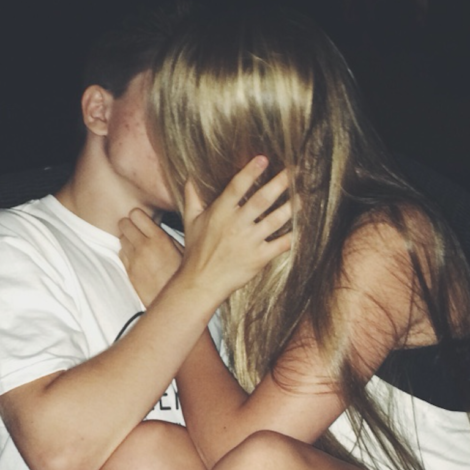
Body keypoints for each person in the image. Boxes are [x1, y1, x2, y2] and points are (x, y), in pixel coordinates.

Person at [120, 4, 470, 470]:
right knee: (145, 451)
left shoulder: (388, 239)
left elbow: (240, 448)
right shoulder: (252, 241)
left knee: (263, 459)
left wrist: (180, 296)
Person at [0, 7, 291, 470]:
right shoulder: (18, 244)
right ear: (99, 111)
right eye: (170, 109)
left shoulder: (211, 253)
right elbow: (59, 450)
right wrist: (195, 286)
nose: (194, 137)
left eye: (204, 117)